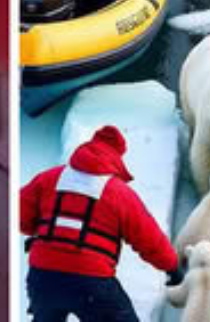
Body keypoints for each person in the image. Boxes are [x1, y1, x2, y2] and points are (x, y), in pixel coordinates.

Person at [20, 124, 180, 322]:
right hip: (91, 282)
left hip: (43, 277)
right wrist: (172, 267)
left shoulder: (48, 178)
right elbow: (148, 237)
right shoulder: (119, 193)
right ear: (117, 157)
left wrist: (42, 233)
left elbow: (20, 214)